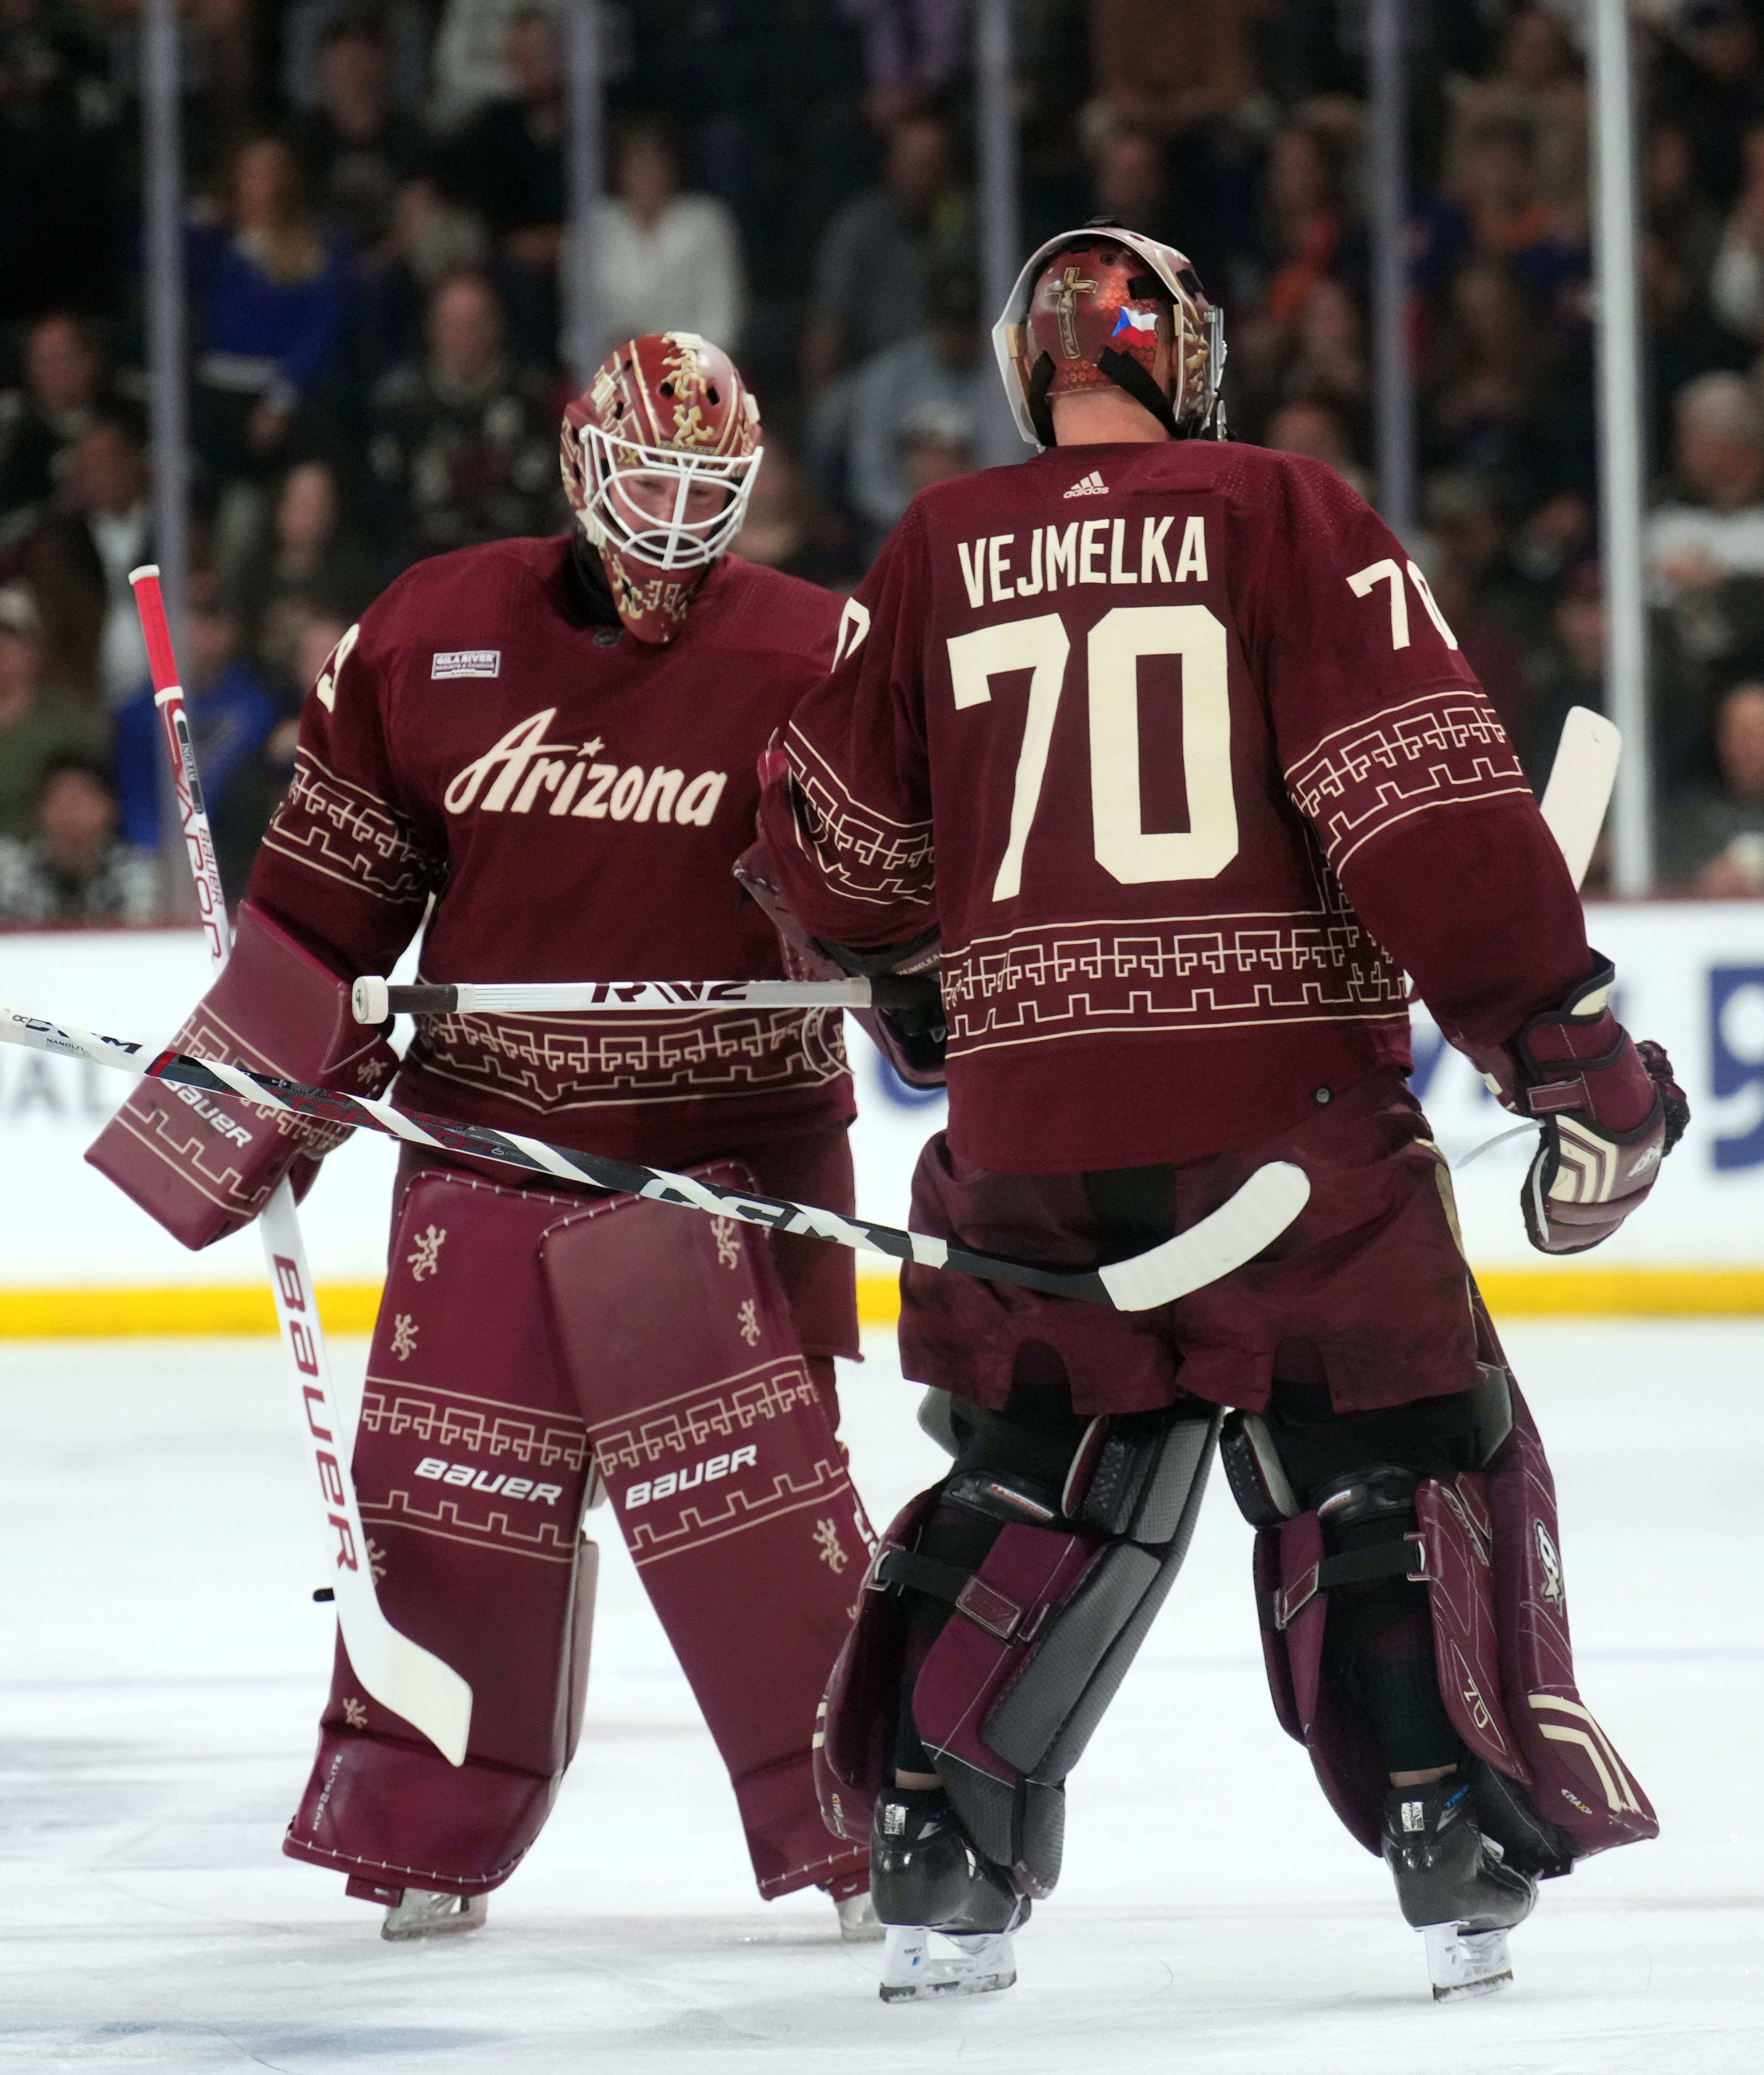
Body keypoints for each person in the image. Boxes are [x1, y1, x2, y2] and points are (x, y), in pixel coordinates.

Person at [754, 225, 1685, 2003]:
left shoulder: (936, 544)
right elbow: (1413, 809)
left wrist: (917, 979)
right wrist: (1563, 1053)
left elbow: (837, 851)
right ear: (1180, 358)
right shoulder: (1278, 511)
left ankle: (940, 1856)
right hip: (1284, 1126)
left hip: (1022, 1140)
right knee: (1383, 1449)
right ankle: (1441, 1830)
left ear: (1035, 368)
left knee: (1033, 1473)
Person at [87, 331, 880, 1946]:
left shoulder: (825, 651)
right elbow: (326, 912)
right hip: (494, 1139)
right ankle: (425, 1831)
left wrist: (913, 982)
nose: (670, 518)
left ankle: (870, 1824)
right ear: (578, 463)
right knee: (453, 1509)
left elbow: (903, 893)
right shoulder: (430, 629)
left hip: (726, 1157)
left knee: (763, 1518)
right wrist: (243, 1103)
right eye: (643, 476)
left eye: (703, 486)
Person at [366, 268, 558, 556]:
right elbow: (388, 506)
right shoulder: (400, 407)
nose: (465, 337)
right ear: (429, 330)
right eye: (452, 325)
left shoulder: (532, 399)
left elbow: (543, 498)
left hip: (514, 562)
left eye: (476, 325)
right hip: (425, 565)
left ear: (499, 328)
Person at [112, 575, 283, 897]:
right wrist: (165, 857)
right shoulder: (137, 713)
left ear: (232, 631)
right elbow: (134, 799)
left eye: (210, 619)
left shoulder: (259, 707)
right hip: (155, 867)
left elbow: (260, 796)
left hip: (239, 861)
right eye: (188, 617)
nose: (198, 633)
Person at [584, 114, 747, 364]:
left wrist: (663, 356)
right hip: (611, 372)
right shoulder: (594, 228)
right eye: (635, 162)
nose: (646, 171)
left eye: (655, 161)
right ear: (618, 170)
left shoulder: (708, 223)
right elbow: (579, 327)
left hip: (693, 373)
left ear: (674, 166)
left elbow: (722, 324)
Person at [0, 750, 159, 927]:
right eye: (60, 801)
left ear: (110, 809)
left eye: (81, 801)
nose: (71, 813)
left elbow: (142, 937)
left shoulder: (140, 872)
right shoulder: (8, 870)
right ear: (38, 811)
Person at [0, 583, 104, 838]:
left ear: (35, 649)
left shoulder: (70, 721)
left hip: (39, 862)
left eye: (12, 637)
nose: (1, 648)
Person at [1659, 675, 1764, 893]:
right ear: (1721, 742)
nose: (1749, 748)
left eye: (1758, 735)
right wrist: (1704, 884)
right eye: (1740, 735)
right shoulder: (1687, 821)